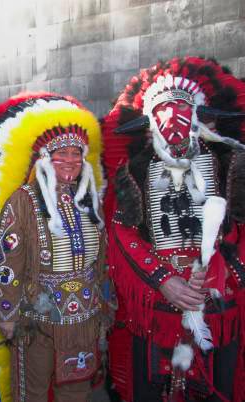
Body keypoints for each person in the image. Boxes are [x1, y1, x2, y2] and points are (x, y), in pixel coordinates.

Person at [103, 56, 245, 401]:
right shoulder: (133, 172)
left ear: (198, 117)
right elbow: (122, 233)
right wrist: (163, 281)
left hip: (216, 302)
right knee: (154, 387)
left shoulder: (230, 164)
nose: (172, 121)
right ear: (150, 124)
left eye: (181, 110)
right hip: (157, 306)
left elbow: (240, 228)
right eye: (162, 113)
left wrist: (219, 271)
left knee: (217, 388)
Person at [0, 93, 110, 402]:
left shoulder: (89, 200)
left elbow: (102, 261)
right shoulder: (23, 201)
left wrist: (106, 307)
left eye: (76, 154)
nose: (70, 161)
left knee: (76, 392)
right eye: (61, 153)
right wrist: (7, 314)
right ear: (44, 159)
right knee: (32, 393)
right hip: (36, 320)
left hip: (83, 319)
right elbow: (7, 263)